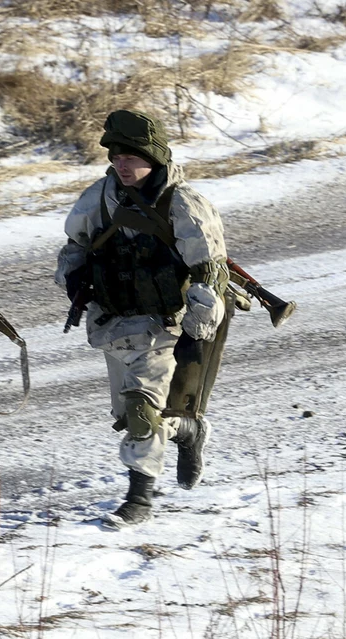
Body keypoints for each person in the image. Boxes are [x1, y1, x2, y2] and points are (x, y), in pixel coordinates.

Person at [55, 110, 229, 529]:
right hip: (115, 325)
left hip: (166, 325)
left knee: (140, 412)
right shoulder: (98, 197)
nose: (122, 165)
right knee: (131, 417)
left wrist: (198, 330)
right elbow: (73, 246)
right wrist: (73, 278)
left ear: (153, 157)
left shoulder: (184, 203)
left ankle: (139, 498)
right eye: (116, 157)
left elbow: (210, 269)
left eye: (131, 157)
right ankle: (186, 430)